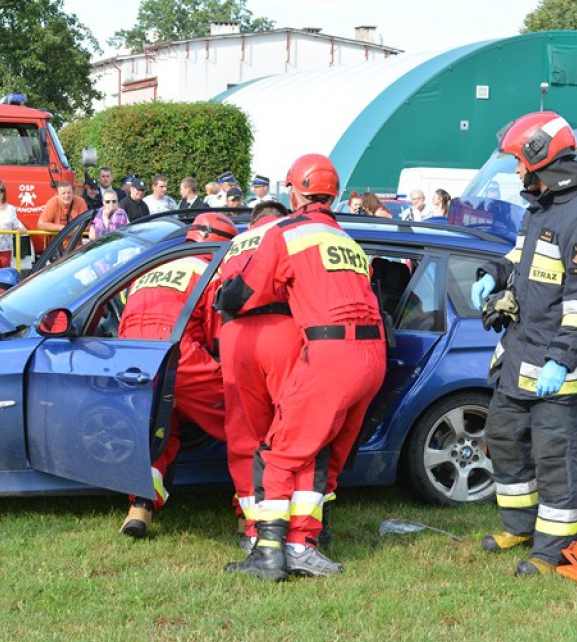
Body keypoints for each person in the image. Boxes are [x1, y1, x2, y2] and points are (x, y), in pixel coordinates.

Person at [217, 153, 386, 580]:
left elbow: (244, 294)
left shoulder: (286, 233)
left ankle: (272, 552)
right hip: (373, 354)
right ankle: (304, 540)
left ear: (294, 191)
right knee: (321, 449)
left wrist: (228, 298)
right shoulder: (347, 239)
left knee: (278, 451)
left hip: (330, 353)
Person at [470, 111, 577, 577]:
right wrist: (494, 275)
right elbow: (519, 258)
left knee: (556, 459)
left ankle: (553, 549)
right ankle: (520, 525)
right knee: (505, 440)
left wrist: (560, 359)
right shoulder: (542, 209)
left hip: (559, 368)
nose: (516, 172)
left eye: (518, 162)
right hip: (518, 356)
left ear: (540, 159)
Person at [117, 212, 233, 538]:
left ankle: (139, 509)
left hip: (134, 359)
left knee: (160, 431)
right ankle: (254, 514)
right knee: (245, 420)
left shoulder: (156, 265)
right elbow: (218, 334)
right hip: (181, 356)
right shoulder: (212, 270)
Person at [217, 200, 293, 552]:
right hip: (283, 330)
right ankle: (292, 525)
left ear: (253, 221)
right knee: (289, 428)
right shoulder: (292, 234)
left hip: (235, 336)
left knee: (245, 432)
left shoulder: (233, 244)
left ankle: (251, 527)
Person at [0, 180, 26, 292]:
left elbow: (16, 225)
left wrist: (21, 229)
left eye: (1, 191)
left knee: (4, 279)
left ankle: (3, 300)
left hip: (6, 248)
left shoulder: (10, 209)